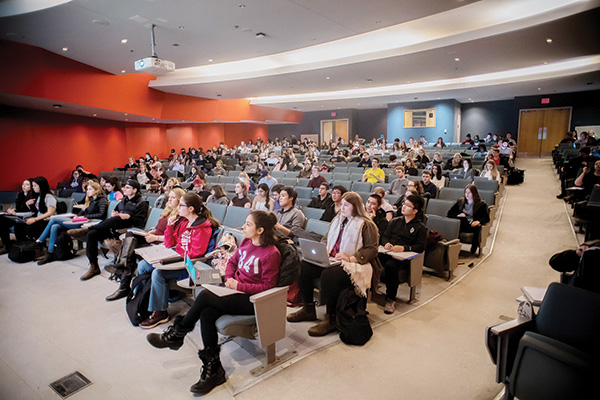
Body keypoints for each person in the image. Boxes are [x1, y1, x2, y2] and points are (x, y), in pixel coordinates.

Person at [145, 211, 280, 394]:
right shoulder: (247, 244)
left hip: (253, 300)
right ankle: (214, 369)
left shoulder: (271, 253)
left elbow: (268, 287)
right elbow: (232, 262)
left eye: (248, 224)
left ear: (260, 230)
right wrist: (230, 280)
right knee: (206, 312)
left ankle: (178, 333)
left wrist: (239, 285)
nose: (243, 227)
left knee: (205, 296)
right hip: (235, 289)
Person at [286, 192, 381, 336]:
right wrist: (324, 250)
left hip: (356, 263)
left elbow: (372, 250)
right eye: (341, 204)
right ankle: (308, 309)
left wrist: (350, 258)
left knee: (329, 275)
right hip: (333, 258)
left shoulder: (366, 224)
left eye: (346, 205)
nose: (341, 208)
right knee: (304, 266)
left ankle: (330, 318)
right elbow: (326, 239)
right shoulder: (338, 220)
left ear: (355, 207)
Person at [137, 193, 219, 329]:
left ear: (191, 208)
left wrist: (176, 257)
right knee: (143, 265)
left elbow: (197, 253)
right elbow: (170, 244)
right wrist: (170, 226)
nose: (178, 207)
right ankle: (142, 301)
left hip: (188, 266)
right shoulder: (184, 222)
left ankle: (160, 312)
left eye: (181, 205)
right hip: (175, 257)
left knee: (158, 273)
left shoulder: (203, 227)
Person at [70, 180, 148, 281]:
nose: (124, 189)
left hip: (128, 228)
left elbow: (139, 223)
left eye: (128, 187)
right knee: (91, 234)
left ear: (135, 190)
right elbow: (115, 212)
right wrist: (115, 214)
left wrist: (128, 216)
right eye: (124, 187)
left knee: (113, 220)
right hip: (115, 226)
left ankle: (88, 229)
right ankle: (94, 266)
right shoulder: (124, 200)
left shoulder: (142, 203)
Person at [36, 181, 108, 265]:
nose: (87, 191)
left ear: (96, 190)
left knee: (54, 218)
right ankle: (50, 253)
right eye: (87, 189)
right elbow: (83, 211)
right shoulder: (91, 200)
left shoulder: (102, 200)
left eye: (90, 189)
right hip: (83, 221)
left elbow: (101, 214)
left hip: (88, 223)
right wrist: (78, 216)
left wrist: (85, 217)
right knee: (54, 226)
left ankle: (39, 241)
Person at [378, 194, 427, 314]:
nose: (403, 207)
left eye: (407, 205)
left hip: (403, 259)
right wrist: (386, 243)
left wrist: (404, 248)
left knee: (391, 266)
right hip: (388, 252)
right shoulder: (395, 221)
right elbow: (385, 236)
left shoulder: (420, 227)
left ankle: (390, 299)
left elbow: (420, 247)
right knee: (371, 256)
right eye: (403, 204)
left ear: (415, 210)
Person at [447, 184, 490, 254]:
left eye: (469, 193)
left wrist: (478, 221)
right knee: (460, 220)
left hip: (471, 225)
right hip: (461, 223)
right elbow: (449, 213)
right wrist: (458, 215)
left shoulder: (481, 205)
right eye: (466, 192)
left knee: (475, 227)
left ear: (474, 193)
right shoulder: (460, 202)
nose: (467, 194)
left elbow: (486, 218)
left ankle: (474, 247)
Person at [0, 179, 36, 253]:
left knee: (15, 224)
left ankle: (14, 245)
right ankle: (7, 244)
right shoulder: (21, 195)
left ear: (32, 187)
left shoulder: (34, 197)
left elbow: (31, 213)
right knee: (1, 219)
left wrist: (16, 214)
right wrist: (12, 211)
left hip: (26, 217)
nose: (24, 186)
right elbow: (19, 208)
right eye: (23, 184)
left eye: (27, 184)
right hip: (18, 215)